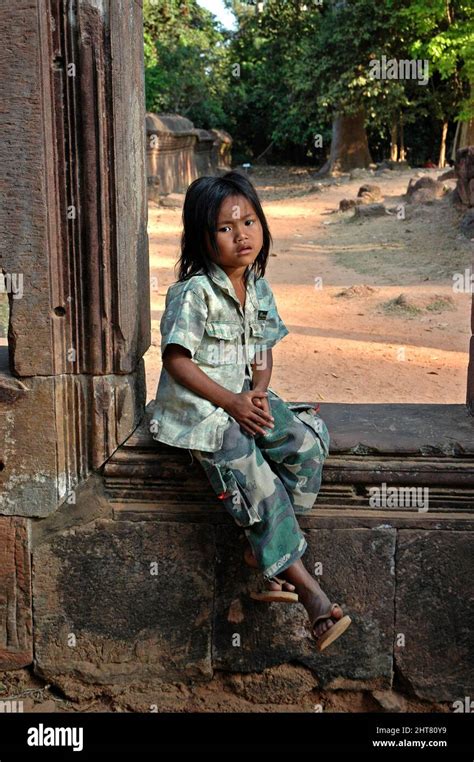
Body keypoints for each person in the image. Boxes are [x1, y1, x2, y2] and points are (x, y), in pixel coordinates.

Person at [151, 170, 351, 652]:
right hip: (201, 413)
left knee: (305, 444)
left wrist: (258, 392)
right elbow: (176, 360)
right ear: (203, 238)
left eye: (249, 221)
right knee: (248, 467)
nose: (241, 234)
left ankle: (263, 550)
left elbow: (262, 352)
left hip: (243, 399)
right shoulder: (193, 292)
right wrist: (233, 404)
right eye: (225, 227)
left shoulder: (258, 287)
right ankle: (311, 595)